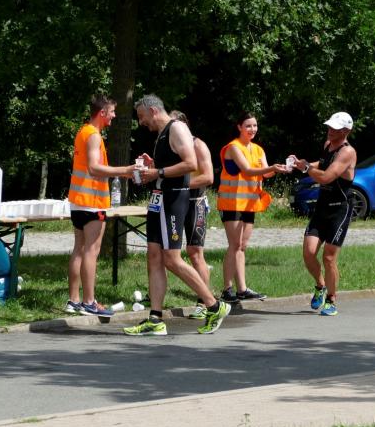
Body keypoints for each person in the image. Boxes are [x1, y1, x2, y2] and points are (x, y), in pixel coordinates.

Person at [123, 95, 231, 336]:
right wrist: (153, 167)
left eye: (141, 116)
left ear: (153, 110)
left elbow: (190, 164)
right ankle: (155, 318)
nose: (141, 122)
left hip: (173, 200)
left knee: (172, 259)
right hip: (159, 199)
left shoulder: (177, 128)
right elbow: (171, 165)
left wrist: (157, 172)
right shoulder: (162, 134)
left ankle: (214, 305)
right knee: (154, 256)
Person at [66, 94, 135, 317]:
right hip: (92, 202)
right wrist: (125, 171)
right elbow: (94, 168)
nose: (114, 116)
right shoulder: (94, 136)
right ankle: (89, 302)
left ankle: (74, 301)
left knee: (79, 249)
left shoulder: (83, 131)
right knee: (91, 251)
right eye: (112, 112)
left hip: (78, 201)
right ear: (102, 112)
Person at [290, 111, 357, 316]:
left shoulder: (347, 152)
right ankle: (321, 285)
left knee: (328, 257)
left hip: (340, 209)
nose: (329, 130)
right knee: (309, 253)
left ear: (345, 131)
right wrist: (302, 165)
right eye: (329, 126)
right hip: (322, 207)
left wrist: (307, 168)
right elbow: (323, 164)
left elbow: (327, 177)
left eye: (334, 128)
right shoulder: (328, 145)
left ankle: (331, 299)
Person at [218, 112, 288, 304]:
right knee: (234, 245)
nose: (252, 129)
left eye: (255, 126)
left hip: (249, 204)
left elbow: (265, 174)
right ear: (239, 127)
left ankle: (242, 289)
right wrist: (271, 168)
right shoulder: (233, 147)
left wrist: (280, 169)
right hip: (232, 203)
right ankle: (227, 289)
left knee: (242, 246)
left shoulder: (258, 149)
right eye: (248, 126)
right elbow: (247, 170)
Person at [169, 110, 214, 320]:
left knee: (195, 252)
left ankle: (204, 303)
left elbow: (208, 177)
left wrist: (182, 185)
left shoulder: (198, 145)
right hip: (176, 202)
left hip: (196, 202)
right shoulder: (171, 146)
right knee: (166, 251)